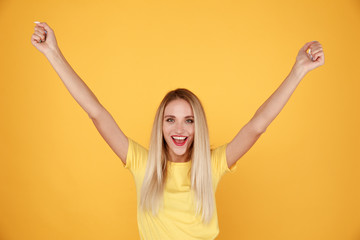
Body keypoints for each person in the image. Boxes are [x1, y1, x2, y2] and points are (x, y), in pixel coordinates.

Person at [31, 22, 324, 240]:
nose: (180, 128)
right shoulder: (142, 164)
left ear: (199, 127)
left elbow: (257, 125)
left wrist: (298, 71)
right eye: (170, 120)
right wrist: (53, 53)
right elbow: (96, 112)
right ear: (160, 125)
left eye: (189, 120)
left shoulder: (212, 165)